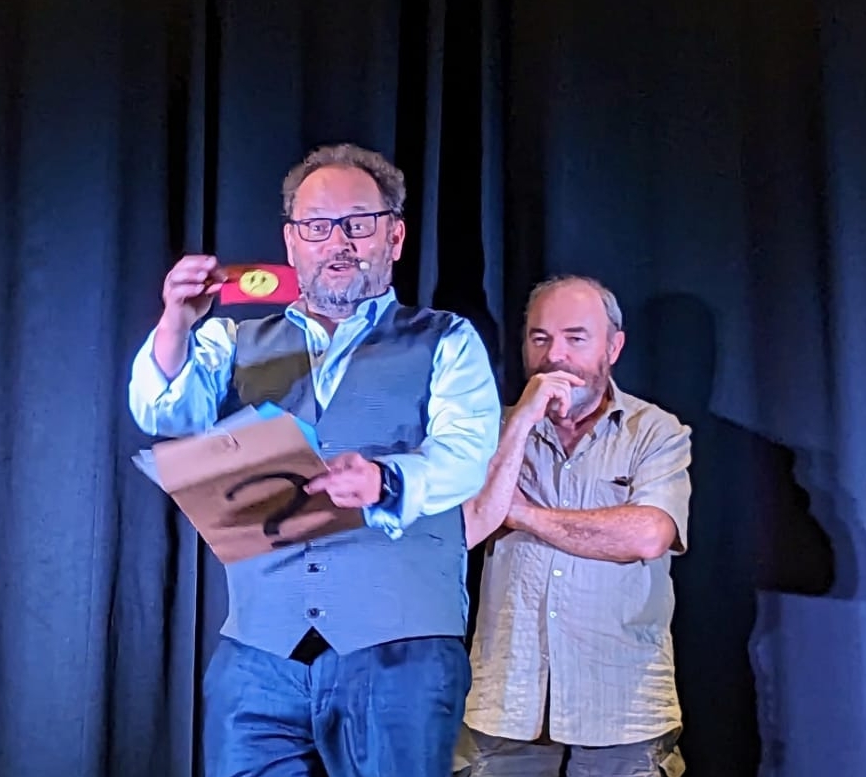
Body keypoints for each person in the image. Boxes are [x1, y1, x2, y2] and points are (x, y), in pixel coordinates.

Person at [128, 142, 501, 777]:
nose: (338, 243)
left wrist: (386, 479)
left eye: (358, 224)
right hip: (259, 656)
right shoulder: (230, 339)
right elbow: (163, 412)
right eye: (318, 227)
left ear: (395, 236)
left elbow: (467, 454)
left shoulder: (446, 339)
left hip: (400, 654)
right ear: (292, 241)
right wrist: (175, 326)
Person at [457, 275, 691, 777]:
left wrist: (523, 515)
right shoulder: (491, 431)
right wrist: (522, 421)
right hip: (506, 702)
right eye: (539, 338)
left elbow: (648, 534)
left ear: (614, 347)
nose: (554, 356)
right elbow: (469, 528)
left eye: (575, 338)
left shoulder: (655, 431)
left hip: (622, 703)